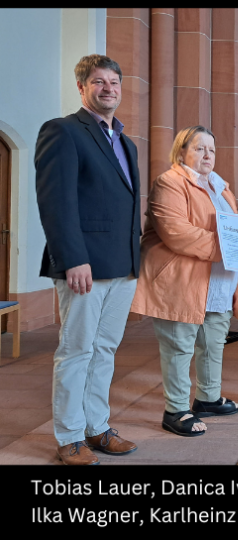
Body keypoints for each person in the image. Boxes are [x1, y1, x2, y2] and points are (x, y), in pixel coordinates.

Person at [35, 54, 141, 465]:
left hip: (122, 265)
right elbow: (56, 203)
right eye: (99, 82)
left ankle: (97, 427)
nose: (109, 88)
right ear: (82, 88)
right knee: (76, 350)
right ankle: (69, 436)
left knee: (105, 351)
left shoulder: (125, 142)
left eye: (114, 82)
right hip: (85, 267)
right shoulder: (63, 131)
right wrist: (73, 258)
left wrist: (136, 261)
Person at [131, 126, 238, 436]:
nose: (207, 155)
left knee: (213, 342)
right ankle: (175, 409)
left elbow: (234, 230)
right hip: (181, 281)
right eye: (200, 148)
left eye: (212, 150)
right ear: (182, 151)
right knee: (179, 345)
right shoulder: (169, 182)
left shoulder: (221, 187)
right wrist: (229, 245)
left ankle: (208, 398)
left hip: (219, 282)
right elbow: (177, 232)